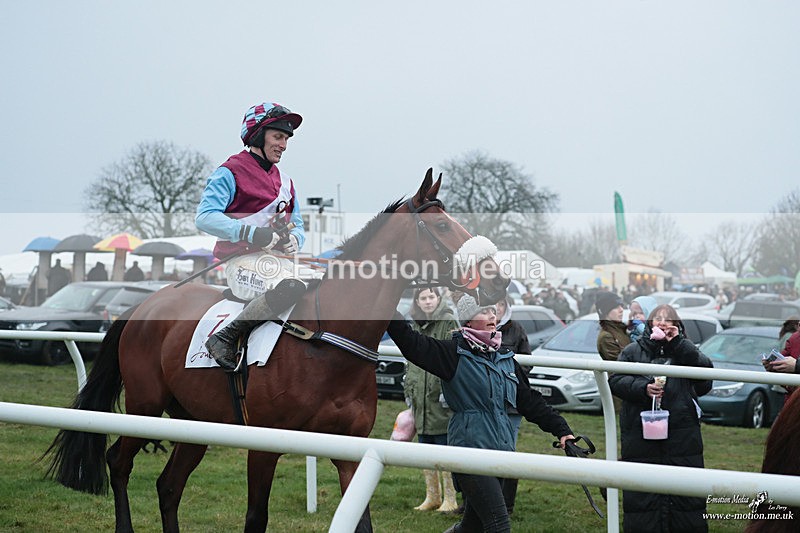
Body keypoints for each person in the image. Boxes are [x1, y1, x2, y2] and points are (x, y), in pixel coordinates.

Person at [387, 293, 575, 532]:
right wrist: (386, 306)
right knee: (499, 525)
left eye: (493, 311)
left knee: (472, 527)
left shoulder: (505, 358)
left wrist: (562, 431)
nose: (492, 316)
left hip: (501, 452)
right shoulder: (452, 354)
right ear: (467, 320)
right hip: (469, 452)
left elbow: (530, 401)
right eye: (484, 311)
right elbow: (410, 342)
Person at [196, 101, 306, 370]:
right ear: (258, 135)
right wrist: (251, 233)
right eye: (278, 136)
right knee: (291, 288)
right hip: (239, 262)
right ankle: (224, 337)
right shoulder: (230, 171)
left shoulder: (287, 182)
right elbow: (205, 216)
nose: (283, 144)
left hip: (278, 261)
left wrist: (295, 240)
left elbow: (299, 225)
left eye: (286, 139)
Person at [608, 304, 713, 532]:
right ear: (649, 324)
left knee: (685, 498)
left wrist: (679, 345)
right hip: (641, 434)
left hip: (682, 437)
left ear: (678, 325)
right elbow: (616, 380)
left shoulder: (687, 351)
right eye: (658, 319)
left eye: (668, 319)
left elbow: (706, 381)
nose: (663, 323)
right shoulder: (633, 351)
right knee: (643, 496)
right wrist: (643, 388)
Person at [403, 288, 460, 513]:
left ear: (438, 298)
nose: (427, 302)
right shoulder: (415, 323)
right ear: (417, 301)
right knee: (425, 446)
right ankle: (432, 496)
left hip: (440, 395)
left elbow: (451, 356)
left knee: (445, 448)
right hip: (420, 396)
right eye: (422, 298)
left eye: (431, 297)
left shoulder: (447, 321)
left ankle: (450, 498)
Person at [495, 295, 531, 517]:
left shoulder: (516, 329)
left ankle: (506, 506)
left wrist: (507, 381)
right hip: (488, 402)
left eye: (500, 305)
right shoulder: (473, 329)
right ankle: (474, 503)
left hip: (511, 403)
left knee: (507, 450)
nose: (496, 310)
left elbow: (527, 362)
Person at [595, 291, 629, 362]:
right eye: (616, 307)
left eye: (621, 306)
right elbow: (620, 363)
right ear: (606, 312)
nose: (621, 310)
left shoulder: (622, 330)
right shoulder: (606, 336)